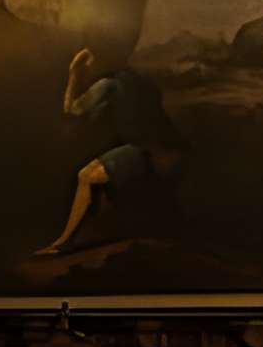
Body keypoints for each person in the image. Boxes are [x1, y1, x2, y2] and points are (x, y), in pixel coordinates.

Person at [31, 46, 185, 257]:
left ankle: (63, 243)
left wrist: (74, 71)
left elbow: (71, 110)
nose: (90, 65)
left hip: (145, 151)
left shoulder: (108, 85)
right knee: (97, 177)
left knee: (86, 177)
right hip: (165, 151)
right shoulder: (139, 81)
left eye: (90, 60)